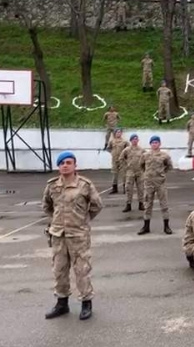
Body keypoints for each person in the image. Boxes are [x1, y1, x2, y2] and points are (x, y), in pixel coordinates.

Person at [43, 151, 103, 321]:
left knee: (82, 270)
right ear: (58, 166)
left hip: (78, 235)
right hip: (58, 235)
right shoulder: (52, 186)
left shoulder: (84, 185)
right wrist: (57, 221)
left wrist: (83, 220)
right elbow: (47, 206)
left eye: (69, 162)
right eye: (62, 163)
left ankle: (86, 303)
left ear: (75, 165)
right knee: (59, 270)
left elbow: (97, 205)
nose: (65, 165)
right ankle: (62, 303)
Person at [138, 136, 173, 235]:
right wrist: (147, 175)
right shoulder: (145, 155)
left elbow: (169, 166)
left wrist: (162, 174)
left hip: (160, 183)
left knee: (164, 204)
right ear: (150, 144)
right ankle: (146, 226)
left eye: (156, 142)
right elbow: (141, 166)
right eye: (153, 142)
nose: (154, 144)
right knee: (147, 205)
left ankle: (166, 226)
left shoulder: (164, 156)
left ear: (159, 144)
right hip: (149, 183)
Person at [120, 134, 145, 213]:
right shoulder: (127, 150)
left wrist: (144, 168)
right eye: (133, 139)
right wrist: (126, 167)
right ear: (130, 140)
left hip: (139, 171)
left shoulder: (142, 150)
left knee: (141, 188)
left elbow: (146, 159)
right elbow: (121, 159)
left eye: (136, 139)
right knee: (129, 188)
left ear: (138, 140)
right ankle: (128, 204)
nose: (135, 140)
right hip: (130, 171)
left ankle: (141, 203)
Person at [106, 128, 130, 194]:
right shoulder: (112, 141)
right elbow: (108, 148)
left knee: (124, 174)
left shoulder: (125, 141)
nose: (118, 133)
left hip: (122, 160)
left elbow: (128, 149)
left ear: (121, 133)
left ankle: (125, 188)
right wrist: (112, 153)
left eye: (119, 132)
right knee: (114, 174)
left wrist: (125, 156)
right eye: (117, 132)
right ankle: (114, 188)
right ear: (115, 133)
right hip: (114, 160)